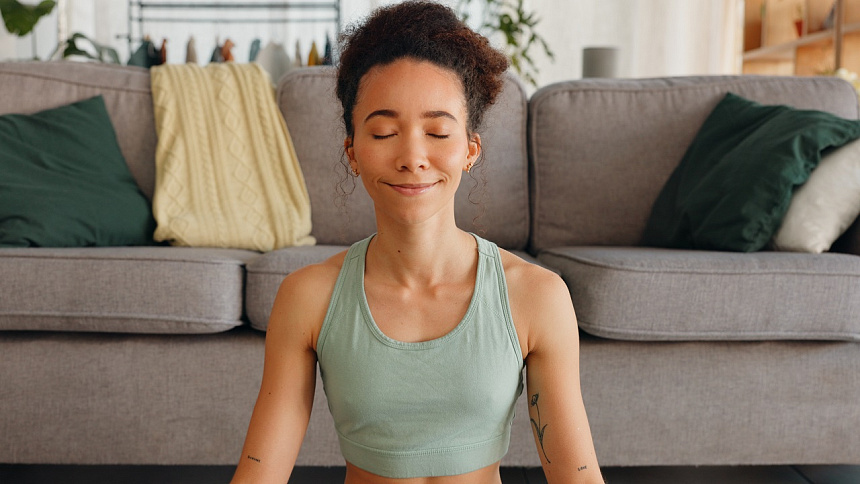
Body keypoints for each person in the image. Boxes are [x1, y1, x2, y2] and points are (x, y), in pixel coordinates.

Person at [231, 2, 603, 483]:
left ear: (470, 148)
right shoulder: (307, 298)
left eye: (437, 131)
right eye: (384, 131)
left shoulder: (537, 296)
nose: (412, 157)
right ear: (353, 152)